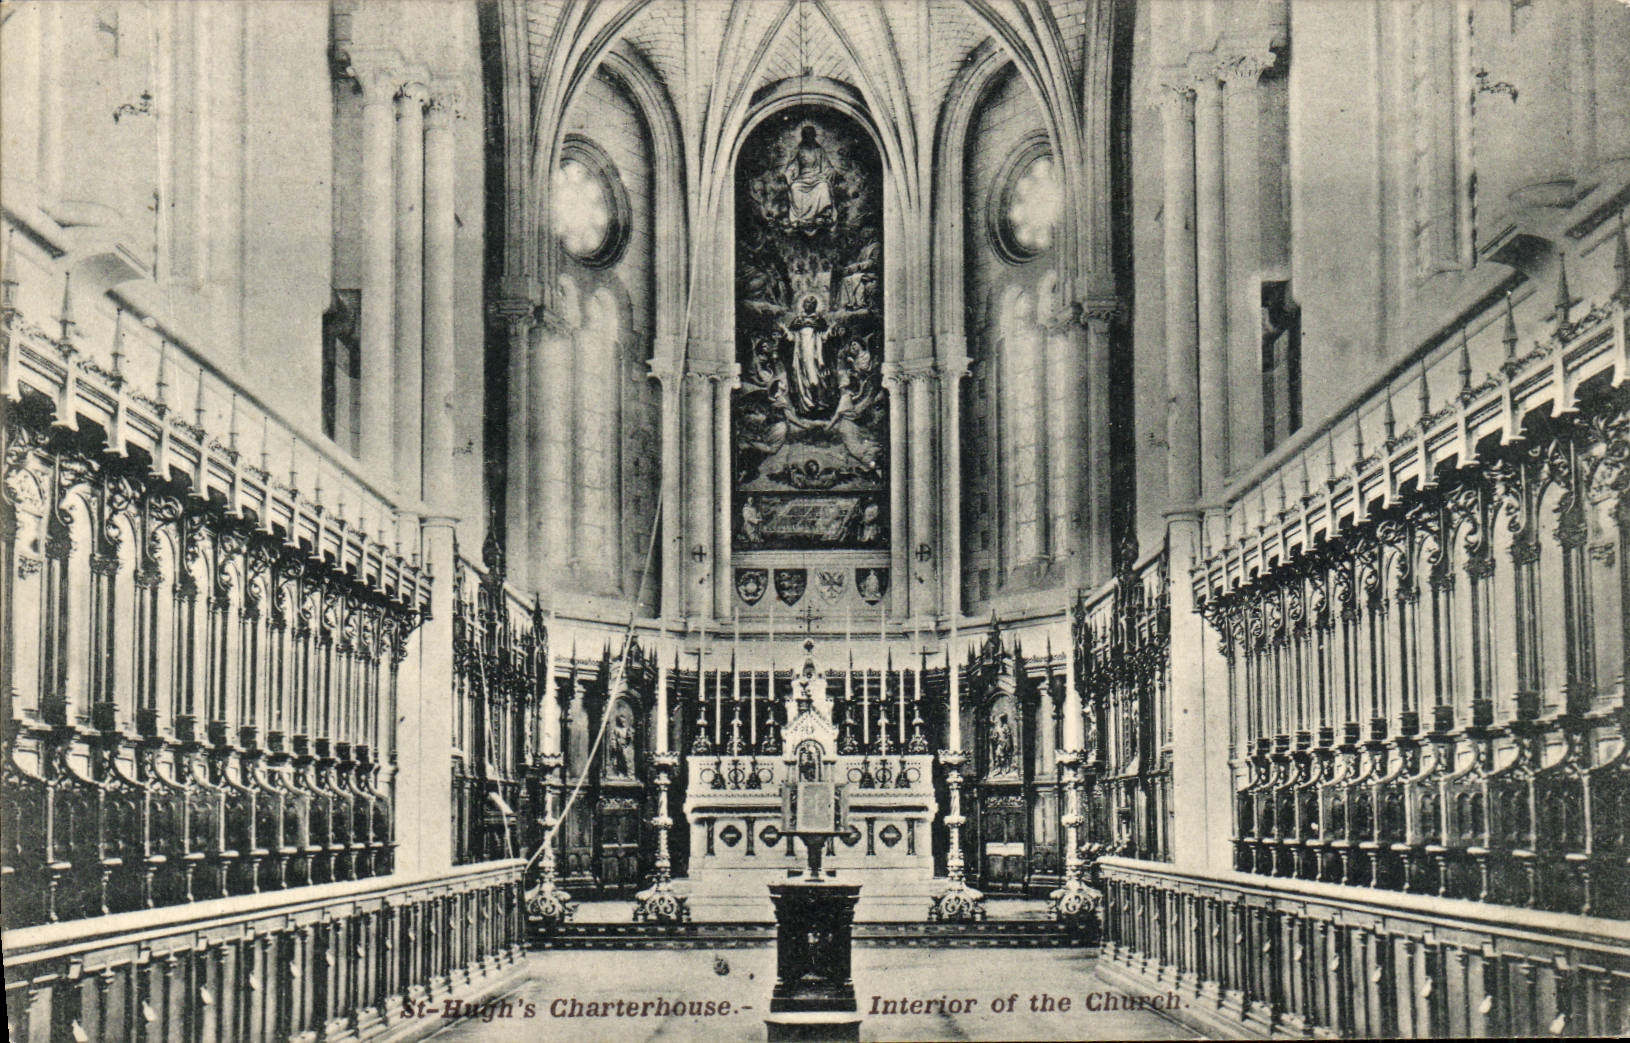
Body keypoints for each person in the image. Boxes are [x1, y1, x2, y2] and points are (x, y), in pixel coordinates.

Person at [784, 125, 836, 228]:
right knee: (795, 188)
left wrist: (831, 171)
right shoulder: (799, 150)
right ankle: (800, 219)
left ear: (813, 136)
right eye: (806, 136)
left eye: (810, 136)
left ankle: (822, 215)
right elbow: (792, 165)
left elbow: (826, 165)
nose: (809, 138)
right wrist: (788, 174)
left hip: (817, 178)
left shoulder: (819, 150)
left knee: (823, 186)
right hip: (802, 178)